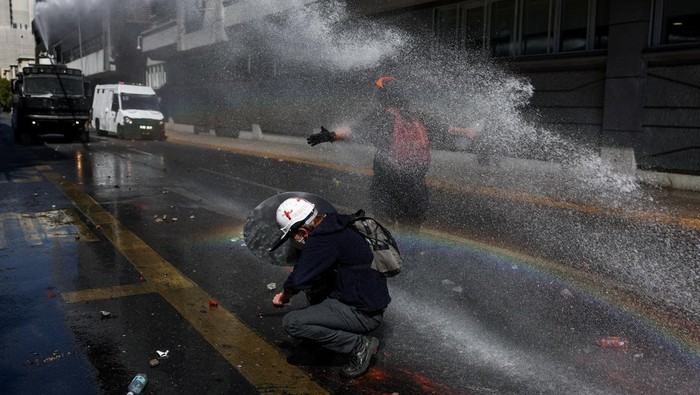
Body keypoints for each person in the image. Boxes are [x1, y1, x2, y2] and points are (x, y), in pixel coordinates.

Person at [307, 76, 477, 229]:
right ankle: (410, 258)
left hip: (387, 184)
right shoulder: (418, 116)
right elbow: (447, 129)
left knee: (385, 229)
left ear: (384, 97)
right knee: (410, 227)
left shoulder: (383, 117)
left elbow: (352, 131)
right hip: (415, 185)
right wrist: (467, 131)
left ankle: (390, 260)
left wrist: (330, 135)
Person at [269, 197, 390, 378]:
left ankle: (358, 345)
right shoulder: (334, 225)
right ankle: (323, 338)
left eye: (291, 236)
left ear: (302, 230)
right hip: (365, 300)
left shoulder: (322, 239)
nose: (291, 241)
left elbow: (299, 279)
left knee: (293, 323)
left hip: (363, 313)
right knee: (315, 286)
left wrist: (284, 296)